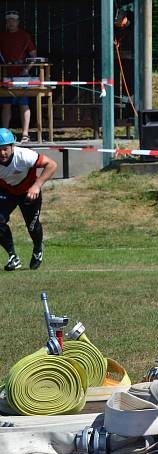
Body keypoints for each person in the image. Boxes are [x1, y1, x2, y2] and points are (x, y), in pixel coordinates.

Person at [0, 128, 57, 270]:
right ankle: (13, 257)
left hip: (29, 192)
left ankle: (38, 249)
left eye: (5, 148)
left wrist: (37, 186)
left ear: (12, 146)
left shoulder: (25, 155)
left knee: (32, 226)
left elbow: (51, 165)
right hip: (7, 192)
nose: (2, 153)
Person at [0, 11, 36, 143]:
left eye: (14, 20)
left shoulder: (24, 36)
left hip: (21, 77)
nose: (11, 22)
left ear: (18, 22)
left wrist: (26, 69)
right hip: (6, 76)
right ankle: (4, 134)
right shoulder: (2, 36)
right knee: (6, 105)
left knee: (24, 104)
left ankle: (25, 134)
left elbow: (33, 56)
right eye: (9, 20)